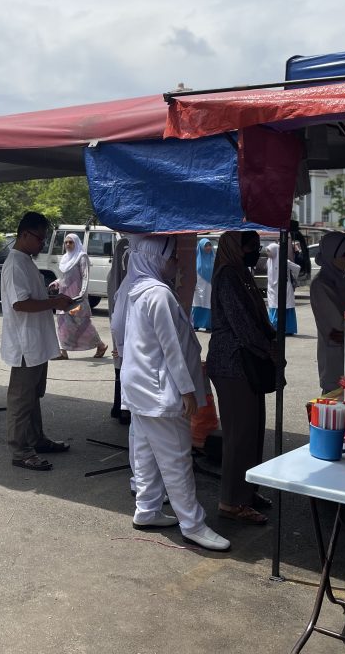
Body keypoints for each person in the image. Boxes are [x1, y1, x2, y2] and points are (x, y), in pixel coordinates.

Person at [111, 234, 230, 551]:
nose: (177, 262)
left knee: (146, 454)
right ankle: (193, 524)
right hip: (160, 389)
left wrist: (125, 358)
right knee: (177, 459)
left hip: (140, 387)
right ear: (155, 258)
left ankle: (147, 509)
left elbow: (117, 328)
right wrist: (187, 390)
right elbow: (172, 347)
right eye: (173, 256)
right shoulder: (158, 294)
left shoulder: (133, 288)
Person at [206, 231, 277, 524]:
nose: (256, 252)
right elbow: (242, 325)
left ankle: (246, 491)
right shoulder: (228, 276)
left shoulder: (241, 273)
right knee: (239, 435)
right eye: (252, 247)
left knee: (254, 430)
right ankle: (231, 501)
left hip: (247, 362)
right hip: (232, 363)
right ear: (237, 248)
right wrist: (268, 347)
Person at [0, 212, 74, 471]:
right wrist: (53, 302)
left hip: (35, 341)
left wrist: (51, 297)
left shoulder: (26, 261)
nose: (42, 244)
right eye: (40, 238)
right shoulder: (15, 264)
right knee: (21, 399)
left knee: (32, 395)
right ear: (24, 235)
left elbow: (31, 297)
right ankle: (20, 450)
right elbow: (19, 303)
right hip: (24, 343)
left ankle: (35, 439)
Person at [308, 232, 345, 397]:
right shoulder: (321, 284)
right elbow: (338, 326)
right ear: (332, 254)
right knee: (335, 401)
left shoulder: (344, 279)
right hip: (335, 356)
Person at [51, 233, 107, 360]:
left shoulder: (82, 257)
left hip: (76, 298)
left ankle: (100, 345)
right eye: (66, 242)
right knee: (61, 323)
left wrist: (82, 294)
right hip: (63, 297)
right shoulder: (65, 258)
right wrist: (56, 283)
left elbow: (85, 276)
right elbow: (64, 278)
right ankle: (63, 351)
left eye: (71, 242)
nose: (68, 245)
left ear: (76, 243)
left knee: (82, 324)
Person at [107, 236, 131, 423]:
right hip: (123, 311)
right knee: (122, 357)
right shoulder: (125, 245)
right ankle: (123, 407)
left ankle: (122, 406)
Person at [265, 241, 299, 335]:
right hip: (272, 289)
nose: (268, 254)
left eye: (270, 251)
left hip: (284, 288)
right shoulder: (269, 261)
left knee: (285, 307)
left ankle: (287, 329)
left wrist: (292, 279)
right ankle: (275, 328)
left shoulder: (285, 261)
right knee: (274, 307)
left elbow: (297, 268)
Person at [190, 238, 214, 331]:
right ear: (200, 247)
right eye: (206, 245)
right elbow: (191, 273)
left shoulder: (213, 258)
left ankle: (208, 325)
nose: (208, 247)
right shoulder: (195, 260)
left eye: (209, 245)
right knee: (197, 303)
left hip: (209, 286)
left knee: (208, 303)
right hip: (197, 286)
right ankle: (195, 324)